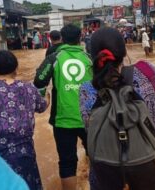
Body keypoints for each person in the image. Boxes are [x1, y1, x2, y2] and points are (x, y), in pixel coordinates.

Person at [79, 27, 155, 190]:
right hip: (154, 165)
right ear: (124, 52)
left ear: (92, 57)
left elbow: (88, 126)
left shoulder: (87, 89)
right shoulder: (148, 71)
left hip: (108, 174)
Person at [0, 50, 50, 190]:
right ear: (16, 68)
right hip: (24, 156)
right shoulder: (28, 89)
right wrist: (48, 98)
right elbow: (42, 107)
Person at [33, 24, 92, 190]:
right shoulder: (89, 58)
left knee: (67, 163)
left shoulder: (54, 57)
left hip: (62, 119)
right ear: (80, 37)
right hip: (90, 119)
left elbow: (39, 81)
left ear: (62, 38)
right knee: (95, 156)